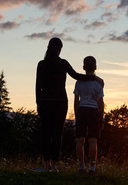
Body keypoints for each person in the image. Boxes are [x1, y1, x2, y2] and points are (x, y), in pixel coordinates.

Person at [35, 38, 104, 173]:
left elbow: (37, 86)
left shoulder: (41, 64)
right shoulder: (63, 63)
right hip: (60, 102)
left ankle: (46, 164)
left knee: (46, 133)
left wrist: (38, 102)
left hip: (45, 102)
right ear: (59, 49)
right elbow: (76, 75)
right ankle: (54, 166)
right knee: (57, 133)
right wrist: (94, 78)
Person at [74, 56, 104, 175]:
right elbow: (100, 103)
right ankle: (92, 167)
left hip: (82, 110)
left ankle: (81, 166)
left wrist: (77, 115)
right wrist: (101, 119)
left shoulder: (79, 82)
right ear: (95, 67)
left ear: (83, 67)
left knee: (80, 139)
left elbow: (76, 100)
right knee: (93, 140)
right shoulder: (98, 84)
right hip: (93, 112)